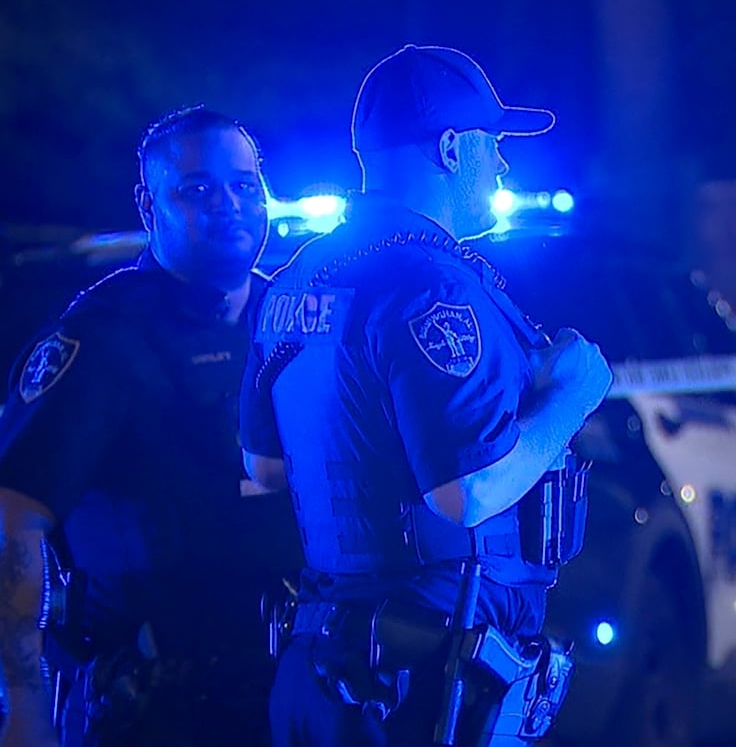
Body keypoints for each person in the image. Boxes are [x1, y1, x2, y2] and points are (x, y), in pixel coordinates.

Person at [242, 45, 612, 746]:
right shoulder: (433, 285)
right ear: (451, 148)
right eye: (493, 144)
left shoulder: (295, 279)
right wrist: (572, 396)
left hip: (328, 657)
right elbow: (464, 493)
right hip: (421, 678)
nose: (502, 164)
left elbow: (265, 468)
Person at [0, 106, 304, 746]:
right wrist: (25, 707)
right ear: (149, 205)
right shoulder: (103, 339)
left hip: (292, 689)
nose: (229, 204)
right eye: (197, 189)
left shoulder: (292, 321)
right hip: (156, 703)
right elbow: (13, 520)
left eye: (245, 185)